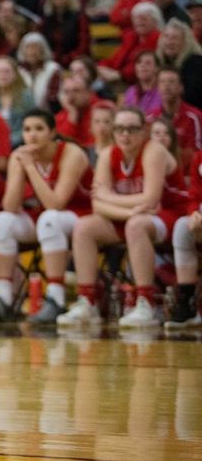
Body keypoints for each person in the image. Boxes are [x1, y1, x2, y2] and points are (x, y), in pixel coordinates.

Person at [57, 108, 181, 329]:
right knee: (84, 226)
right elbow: (97, 205)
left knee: (136, 225)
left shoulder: (154, 151)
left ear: (144, 131)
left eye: (132, 129)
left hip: (172, 215)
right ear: (113, 131)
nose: (125, 134)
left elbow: (151, 199)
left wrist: (109, 198)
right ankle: (88, 301)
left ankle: (146, 303)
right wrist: (129, 211)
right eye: (120, 129)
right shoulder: (107, 154)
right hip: (135, 218)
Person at [0, 109, 93, 324]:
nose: (32, 135)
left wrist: (30, 166)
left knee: (50, 218)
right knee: (2, 222)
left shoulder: (71, 153)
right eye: (27, 130)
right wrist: (19, 166)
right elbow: (10, 206)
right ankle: (3, 296)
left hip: (82, 217)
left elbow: (56, 203)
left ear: (53, 133)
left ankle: (56, 298)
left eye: (39, 129)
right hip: (46, 219)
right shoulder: (21, 156)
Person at [169, 147, 202, 329]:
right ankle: (187, 302)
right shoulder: (199, 156)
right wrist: (194, 213)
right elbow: (194, 196)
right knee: (183, 226)